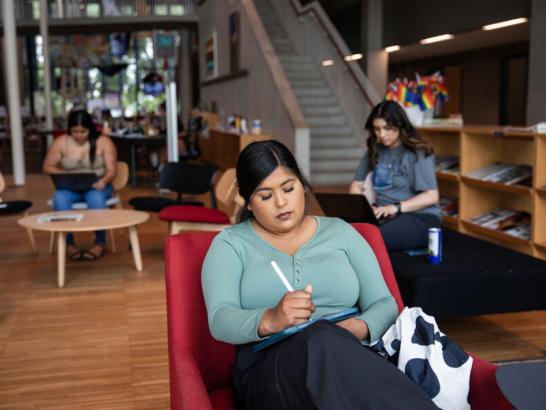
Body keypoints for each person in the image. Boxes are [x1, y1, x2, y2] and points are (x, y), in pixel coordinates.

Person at [202, 140, 437, 409]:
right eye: (265, 196)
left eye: (288, 188)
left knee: (326, 344)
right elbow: (220, 319)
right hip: (269, 368)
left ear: (302, 185)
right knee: (321, 342)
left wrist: (351, 330)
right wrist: (271, 319)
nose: (281, 202)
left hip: (348, 354)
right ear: (249, 203)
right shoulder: (230, 244)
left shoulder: (342, 232)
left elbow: (384, 303)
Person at [350, 101, 440, 251]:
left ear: (400, 126)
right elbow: (356, 185)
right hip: (384, 214)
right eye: (377, 129)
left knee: (371, 240)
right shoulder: (375, 149)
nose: (382, 134)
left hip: (420, 217)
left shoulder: (418, 153)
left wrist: (395, 208)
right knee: (342, 232)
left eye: (388, 128)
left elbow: (431, 196)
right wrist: (365, 209)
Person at [43, 109, 117, 260]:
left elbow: (112, 170)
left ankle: (100, 243)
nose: (79, 135)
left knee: (95, 198)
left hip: (98, 187)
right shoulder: (61, 142)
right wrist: (65, 175)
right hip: (71, 189)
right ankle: (69, 244)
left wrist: (103, 181)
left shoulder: (104, 142)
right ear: (69, 129)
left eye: (83, 131)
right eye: (75, 131)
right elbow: (47, 167)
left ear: (90, 128)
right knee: (59, 198)